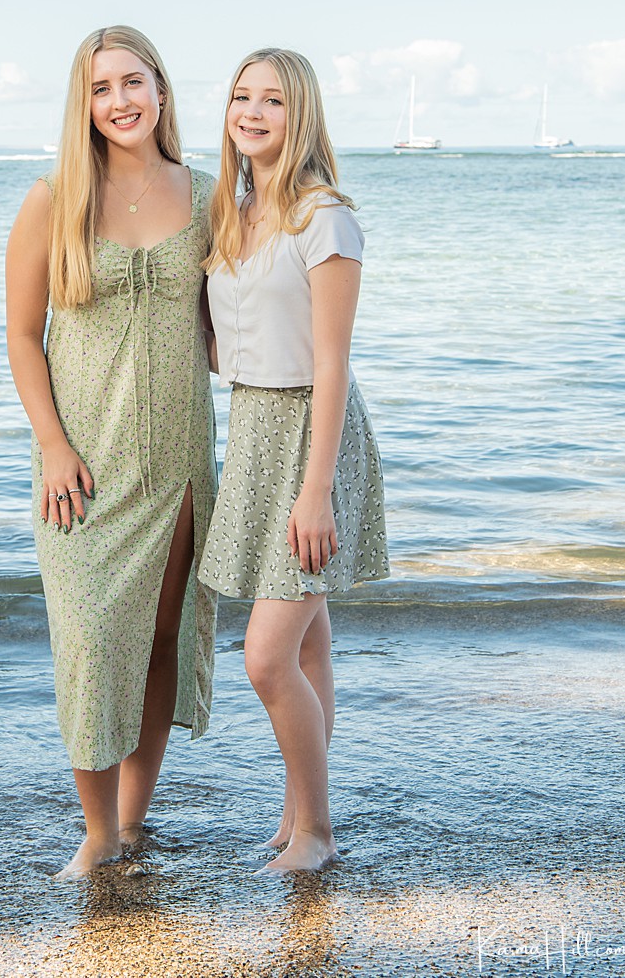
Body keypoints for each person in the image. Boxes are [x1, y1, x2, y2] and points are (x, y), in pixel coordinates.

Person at [6, 25, 218, 879]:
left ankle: (134, 822)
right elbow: (23, 337)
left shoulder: (209, 198)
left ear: (162, 91)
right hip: (81, 468)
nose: (121, 101)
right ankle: (95, 833)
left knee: (160, 639)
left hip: (177, 460)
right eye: (102, 88)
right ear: (84, 104)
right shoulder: (52, 200)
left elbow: (235, 321)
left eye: (135, 82)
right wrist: (53, 445)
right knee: (93, 640)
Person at [199, 47, 388, 873]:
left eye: (272, 100)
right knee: (309, 645)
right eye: (243, 97)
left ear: (299, 114)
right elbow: (228, 344)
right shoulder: (230, 215)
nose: (253, 112)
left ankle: (316, 831)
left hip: (315, 435)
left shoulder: (326, 217)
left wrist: (317, 493)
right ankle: (297, 809)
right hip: (251, 424)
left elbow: (332, 363)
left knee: (267, 655)